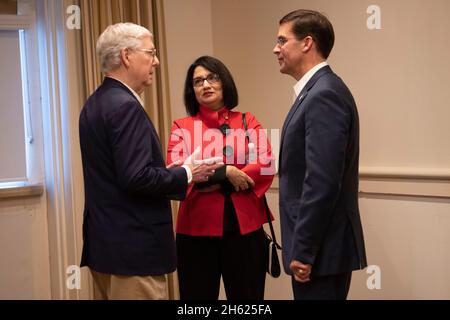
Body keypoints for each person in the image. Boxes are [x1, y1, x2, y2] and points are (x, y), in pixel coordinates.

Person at [79, 23, 221, 300]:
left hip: (106, 248)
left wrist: (171, 172)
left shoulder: (96, 102)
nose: (156, 61)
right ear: (127, 56)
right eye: (151, 52)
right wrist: (187, 173)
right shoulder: (125, 106)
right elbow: (136, 178)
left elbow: (121, 174)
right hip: (134, 252)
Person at [274, 10, 367, 300]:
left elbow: (322, 182)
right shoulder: (313, 91)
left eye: (282, 40)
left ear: (307, 43)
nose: (275, 48)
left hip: (321, 253)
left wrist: (303, 250)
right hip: (319, 251)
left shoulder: (323, 94)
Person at [166, 56, 276, 300]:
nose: (205, 85)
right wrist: (227, 172)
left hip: (245, 230)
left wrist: (211, 177)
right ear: (191, 90)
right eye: (198, 81)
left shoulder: (248, 121)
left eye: (212, 78)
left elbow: (267, 164)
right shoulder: (181, 126)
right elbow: (176, 172)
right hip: (195, 232)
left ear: (224, 82)